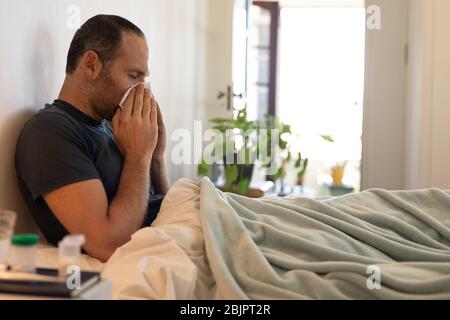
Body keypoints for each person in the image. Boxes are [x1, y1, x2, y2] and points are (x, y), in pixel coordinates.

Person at [15, 15, 169, 262]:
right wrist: (139, 158)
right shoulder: (50, 132)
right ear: (91, 65)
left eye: (144, 78)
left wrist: (156, 158)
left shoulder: (114, 125)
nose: (142, 90)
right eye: (133, 76)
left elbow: (161, 207)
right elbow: (109, 245)